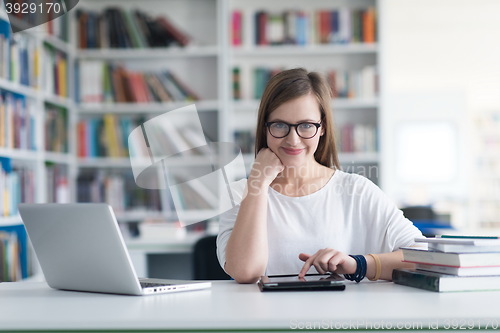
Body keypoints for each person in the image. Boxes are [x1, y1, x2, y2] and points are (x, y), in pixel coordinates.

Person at [217, 68, 422, 284]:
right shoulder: (240, 193)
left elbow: (423, 258)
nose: (293, 140)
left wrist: (357, 264)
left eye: (306, 126)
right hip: (264, 317)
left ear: (322, 127)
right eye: (280, 125)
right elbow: (245, 272)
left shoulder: (357, 190)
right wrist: (257, 182)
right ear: (265, 128)